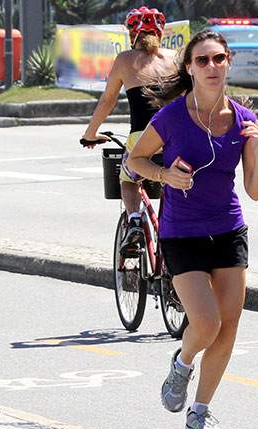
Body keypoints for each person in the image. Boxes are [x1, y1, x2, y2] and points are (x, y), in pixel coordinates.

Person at [127, 29, 258, 429]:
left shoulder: (244, 121)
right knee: (204, 323)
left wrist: (256, 154)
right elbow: (136, 159)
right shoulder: (170, 116)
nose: (211, 67)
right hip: (182, 232)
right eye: (202, 60)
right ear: (189, 68)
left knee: (228, 326)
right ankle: (182, 363)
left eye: (218, 59)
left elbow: (255, 191)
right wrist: (164, 174)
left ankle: (200, 412)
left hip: (228, 229)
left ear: (228, 63)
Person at [82, 6, 176, 255]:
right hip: (176, 139)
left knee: (128, 179)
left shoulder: (125, 59)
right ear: (161, 33)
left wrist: (90, 134)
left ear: (132, 34)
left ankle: (134, 218)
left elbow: (107, 100)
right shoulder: (175, 58)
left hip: (143, 138)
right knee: (172, 182)